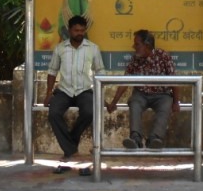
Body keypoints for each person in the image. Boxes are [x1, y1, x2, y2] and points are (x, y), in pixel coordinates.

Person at [42, 15, 105, 170]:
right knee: (54, 113)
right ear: (70, 30)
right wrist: (49, 93)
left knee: (90, 112)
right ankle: (71, 149)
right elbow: (52, 71)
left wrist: (101, 95)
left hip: (84, 90)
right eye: (76, 30)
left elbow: (100, 71)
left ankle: (69, 146)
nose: (79, 33)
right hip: (64, 90)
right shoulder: (60, 48)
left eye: (82, 30)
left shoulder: (92, 48)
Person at [108, 29, 178, 150]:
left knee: (166, 105)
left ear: (147, 45)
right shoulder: (135, 60)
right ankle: (135, 139)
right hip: (141, 94)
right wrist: (113, 102)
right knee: (134, 103)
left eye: (137, 44)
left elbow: (174, 81)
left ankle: (154, 139)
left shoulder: (163, 56)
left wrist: (176, 101)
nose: (134, 47)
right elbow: (125, 82)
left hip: (162, 94)